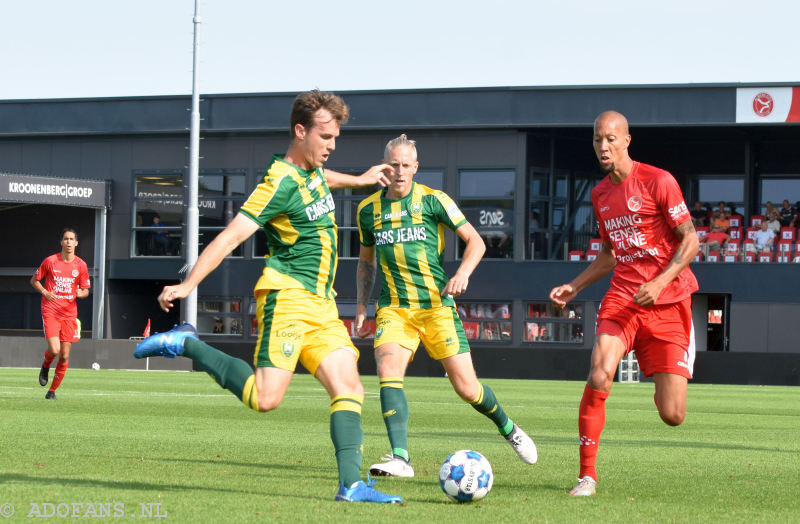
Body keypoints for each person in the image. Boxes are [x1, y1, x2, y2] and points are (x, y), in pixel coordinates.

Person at [133, 90, 402, 504]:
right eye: (326, 137)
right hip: (289, 299)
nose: (332, 146)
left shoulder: (312, 171)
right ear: (301, 130)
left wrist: (360, 179)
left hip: (322, 304)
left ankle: (350, 485)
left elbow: (321, 180)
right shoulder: (278, 181)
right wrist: (189, 286)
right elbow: (230, 236)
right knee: (265, 398)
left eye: (336, 139)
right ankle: (186, 342)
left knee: (349, 385)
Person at [354, 134, 537, 478]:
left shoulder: (434, 200)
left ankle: (507, 426)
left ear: (416, 167)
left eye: (406, 165)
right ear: (384, 166)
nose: (400, 171)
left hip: (437, 307)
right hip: (394, 309)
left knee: (468, 388)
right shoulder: (368, 210)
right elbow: (366, 262)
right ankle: (400, 458)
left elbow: (476, 241)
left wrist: (463, 273)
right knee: (387, 369)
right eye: (394, 164)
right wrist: (362, 305)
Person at [549, 111, 699, 497]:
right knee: (599, 374)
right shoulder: (600, 194)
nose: (603, 146)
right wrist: (574, 286)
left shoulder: (658, 180)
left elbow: (691, 240)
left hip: (669, 301)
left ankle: (664, 371)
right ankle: (587, 476)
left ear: (627, 140)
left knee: (673, 415)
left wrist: (662, 280)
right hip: (623, 299)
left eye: (611, 139)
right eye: (598, 139)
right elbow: (610, 255)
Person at [30, 228, 91, 400]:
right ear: (61, 242)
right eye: (66, 239)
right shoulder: (50, 261)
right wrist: (44, 292)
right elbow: (34, 280)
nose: (69, 242)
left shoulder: (81, 265)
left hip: (69, 314)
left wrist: (82, 293)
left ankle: (52, 392)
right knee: (55, 349)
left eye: (72, 239)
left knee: (64, 355)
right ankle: (45, 365)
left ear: (76, 243)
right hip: (51, 311)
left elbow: (86, 290)